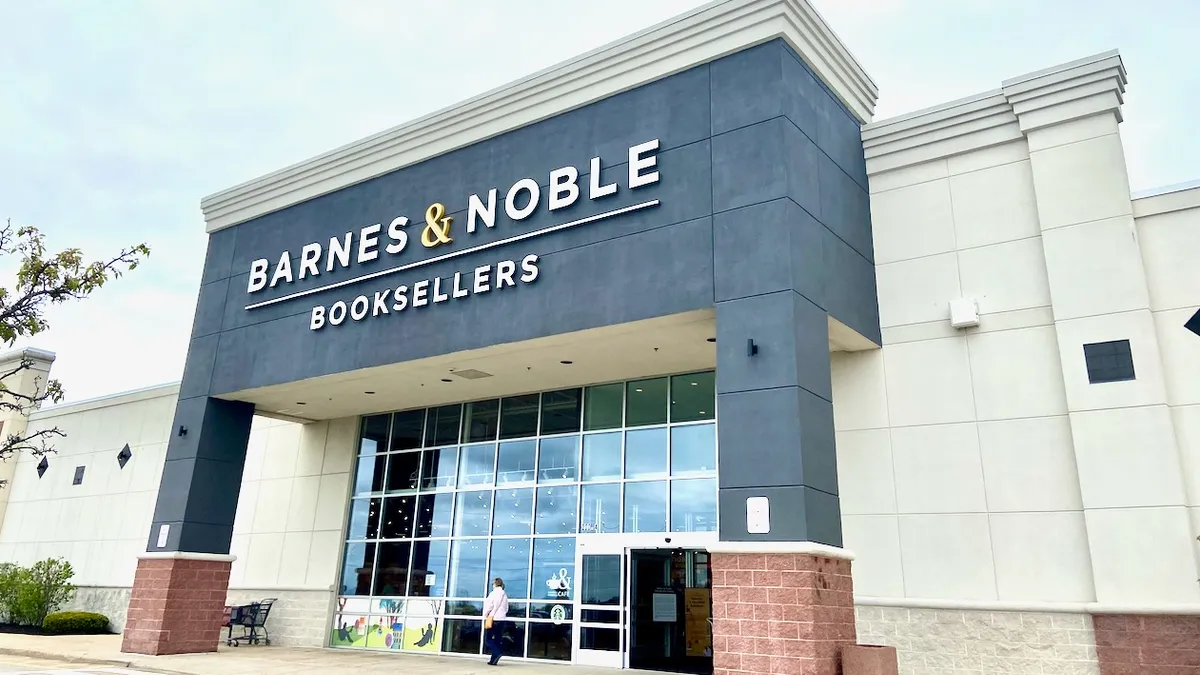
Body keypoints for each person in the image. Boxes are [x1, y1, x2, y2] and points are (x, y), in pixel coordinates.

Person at [483, 577, 509, 665]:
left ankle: (497, 652)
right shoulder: (504, 595)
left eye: (492, 584)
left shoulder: (493, 594)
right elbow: (506, 608)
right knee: (498, 639)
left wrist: (486, 615)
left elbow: (489, 606)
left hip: (493, 618)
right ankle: (493, 660)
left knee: (488, 639)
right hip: (502, 619)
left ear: (495, 584)